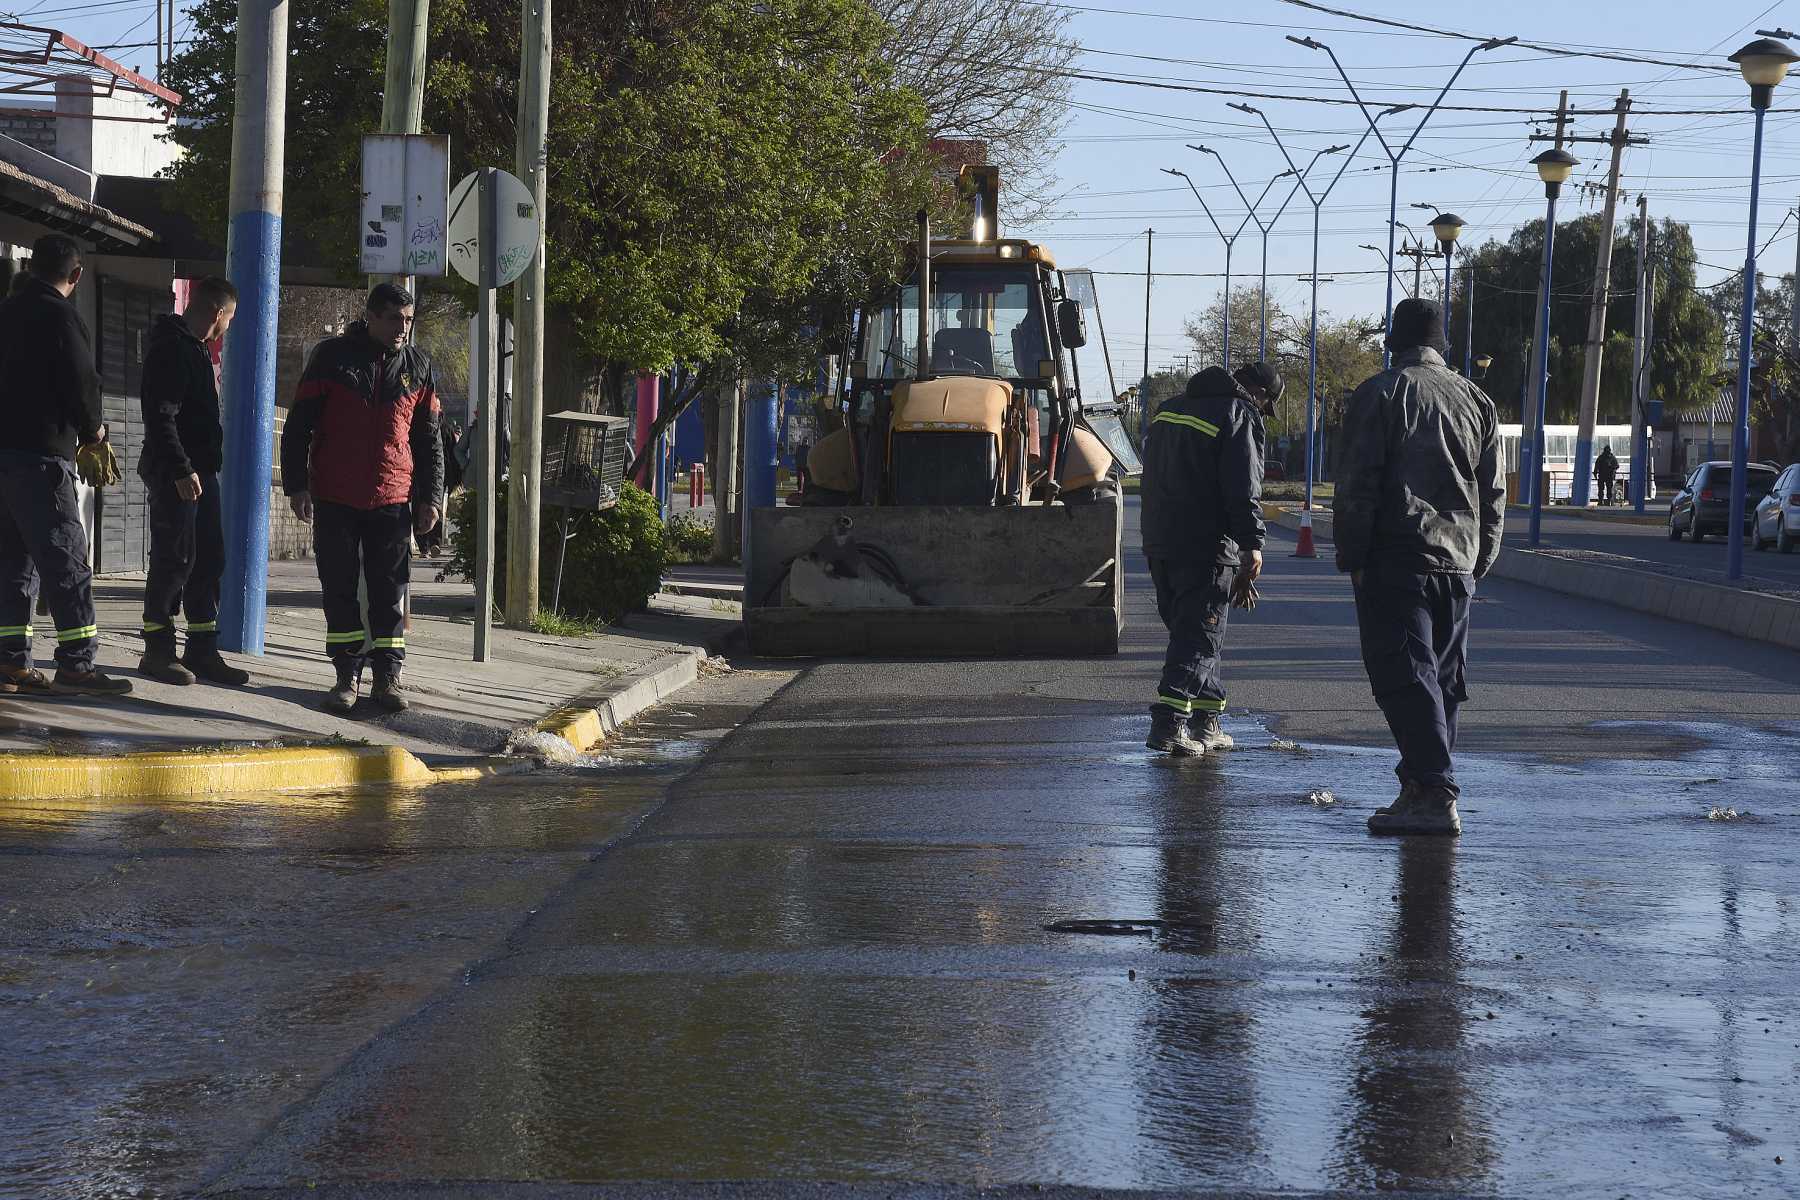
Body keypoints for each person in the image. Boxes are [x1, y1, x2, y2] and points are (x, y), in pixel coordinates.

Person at [1334, 298, 1504, 836]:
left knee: (1405, 676)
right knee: (1442, 683)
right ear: (1441, 346)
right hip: (1457, 563)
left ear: (1394, 341)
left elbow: (1358, 484)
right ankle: (1418, 786)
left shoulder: (1382, 394)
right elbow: (1493, 491)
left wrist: (1354, 557)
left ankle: (1433, 791)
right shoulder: (1476, 400)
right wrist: (1480, 559)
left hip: (1397, 557)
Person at [280, 284, 443, 714]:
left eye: (407, 321)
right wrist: (296, 486)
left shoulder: (419, 368)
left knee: (391, 590)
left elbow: (429, 441)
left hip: (393, 496)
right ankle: (346, 674)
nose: (401, 329)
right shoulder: (332, 358)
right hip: (335, 495)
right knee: (339, 586)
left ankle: (388, 676)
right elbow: (298, 426)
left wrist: (432, 499)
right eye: (393, 318)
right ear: (370, 316)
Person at [0, 235, 132, 696]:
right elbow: (81, 382)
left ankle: (12, 662)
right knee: (66, 561)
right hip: (41, 456)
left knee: (13, 563)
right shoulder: (61, 316)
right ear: (76, 276)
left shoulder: (6, 312)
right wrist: (94, 432)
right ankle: (77, 664)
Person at [1138, 359, 1280, 756]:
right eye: (1266, 404)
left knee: (1194, 634)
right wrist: (1253, 544)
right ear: (1260, 394)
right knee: (1199, 637)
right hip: (1206, 546)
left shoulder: (1170, 408)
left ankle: (1207, 720)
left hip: (1160, 541)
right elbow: (1242, 486)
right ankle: (1169, 724)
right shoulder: (1239, 413)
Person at [137, 276, 247, 687]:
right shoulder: (172, 348)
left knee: (208, 560)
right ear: (218, 314)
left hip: (201, 473)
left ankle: (202, 649)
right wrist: (181, 469)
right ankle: (158, 650)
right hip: (178, 475)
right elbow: (161, 415)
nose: (228, 327)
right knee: (173, 560)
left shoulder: (196, 349)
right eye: (230, 318)